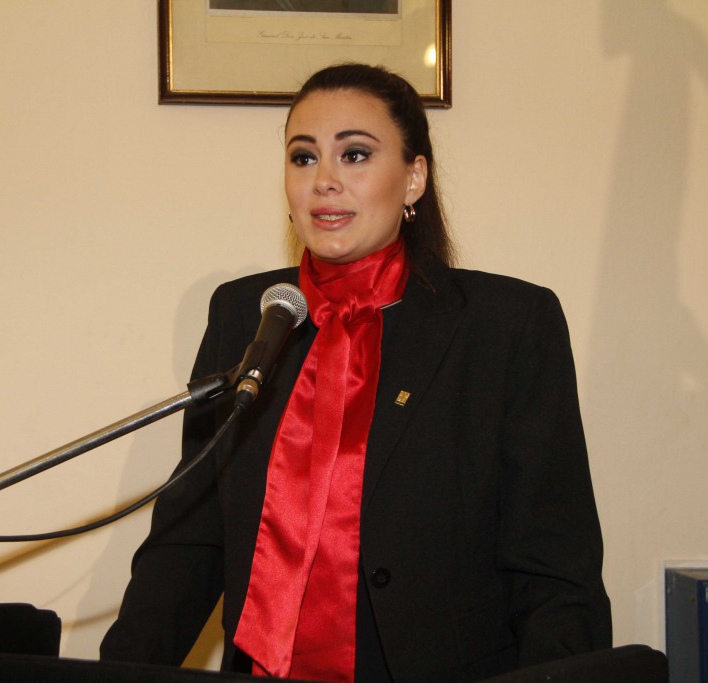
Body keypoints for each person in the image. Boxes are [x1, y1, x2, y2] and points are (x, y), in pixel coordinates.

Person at [100, 63, 611, 682]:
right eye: (303, 158)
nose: (324, 181)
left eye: (355, 155)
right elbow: (191, 539)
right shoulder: (246, 315)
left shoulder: (507, 325)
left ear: (414, 177)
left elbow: (556, 571)